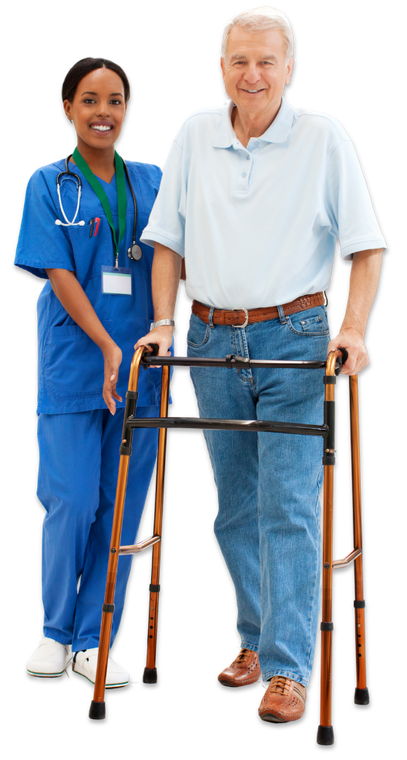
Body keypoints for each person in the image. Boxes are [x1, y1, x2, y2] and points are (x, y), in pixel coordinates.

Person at [135, 7, 387, 723]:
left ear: (288, 68)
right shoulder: (195, 132)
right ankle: (255, 639)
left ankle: (287, 667)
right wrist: (160, 324)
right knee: (235, 511)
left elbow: (364, 247)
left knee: (288, 507)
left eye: (265, 62)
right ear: (220, 66)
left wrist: (352, 330)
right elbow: (167, 243)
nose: (252, 75)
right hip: (208, 341)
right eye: (238, 61)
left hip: (295, 342)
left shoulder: (322, 136)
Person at [14, 57, 171, 687]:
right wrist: (108, 345)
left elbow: (177, 253)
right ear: (68, 110)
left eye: (114, 100)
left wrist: (149, 334)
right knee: (72, 501)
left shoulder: (152, 181)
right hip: (77, 363)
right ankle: (55, 632)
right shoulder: (49, 184)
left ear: (127, 108)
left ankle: (95, 640)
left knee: (121, 508)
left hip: (143, 367)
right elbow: (57, 272)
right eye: (89, 100)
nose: (102, 112)